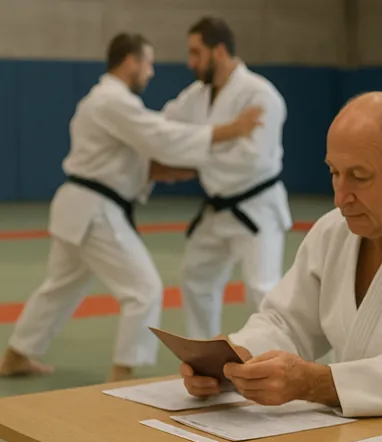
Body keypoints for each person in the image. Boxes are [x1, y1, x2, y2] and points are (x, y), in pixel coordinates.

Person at [179, 92, 382, 415]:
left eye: (359, 176)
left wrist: (316, 384)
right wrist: (236, 358)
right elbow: (286, 322)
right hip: (349, 438)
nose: (340, 197)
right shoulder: (333, 230)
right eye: (334, 172)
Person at [0, 33, 262, 382]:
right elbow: (159, 137)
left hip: (80, 207)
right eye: (148, 63)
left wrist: (172, 168)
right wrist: (229, 131)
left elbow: (136, 155)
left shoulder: (106, 101)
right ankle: (124, 372)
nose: (151, 72)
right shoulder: (112, 101)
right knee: (144, 290)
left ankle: (18, 354)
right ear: (131, 62)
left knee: (61, 285)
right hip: (94, 210)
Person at [162, 17, 292, 340]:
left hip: (255, 207)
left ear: (219, 51)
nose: (190, 62)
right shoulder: (196, 95)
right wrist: (221, 137)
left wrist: (193, 152)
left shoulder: (261, 96)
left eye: (196, 53)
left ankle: (283, 365)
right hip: (217, 208)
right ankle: (206, 357)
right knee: (196, 278)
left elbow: (251, 160)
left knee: (262, 292)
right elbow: (165, 131)